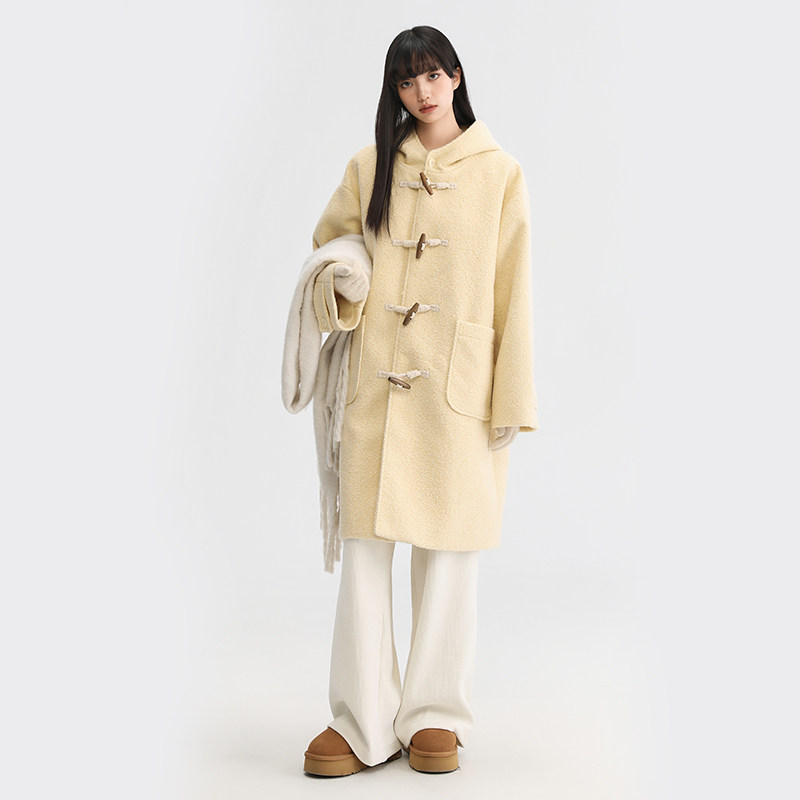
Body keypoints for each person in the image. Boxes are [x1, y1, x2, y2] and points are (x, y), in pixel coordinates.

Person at [300, 25, 539, 777]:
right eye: (406, 81)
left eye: (433, 75)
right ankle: (361, 720)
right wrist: (342, 278)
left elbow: (514, 290)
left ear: (457, 76)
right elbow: (330, 249)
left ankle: (435, 714)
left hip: (457, 390)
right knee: (366, 556)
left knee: (450, 555)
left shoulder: (500, 173)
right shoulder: (370, 165)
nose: (422, 92)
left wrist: (512, 396)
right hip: (377, 384)